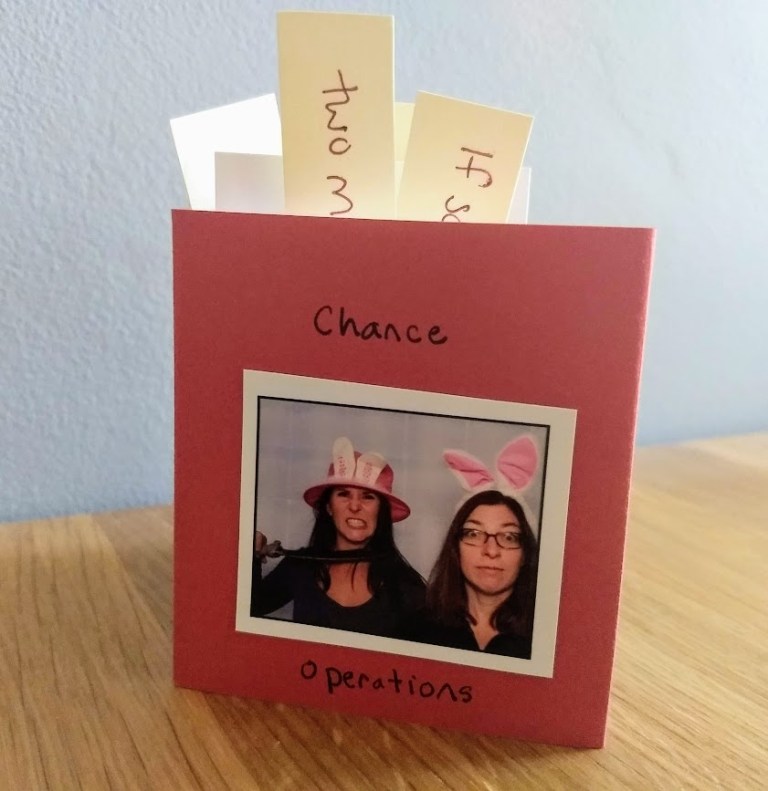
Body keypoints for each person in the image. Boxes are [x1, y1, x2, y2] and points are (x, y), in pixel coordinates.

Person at [250, 437, 426, 638]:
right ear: (329, 508)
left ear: (382, 513)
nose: (354, 506)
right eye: (343, 494)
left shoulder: (407, 586)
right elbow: (250, 608)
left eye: (368, 496)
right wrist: (252, 555)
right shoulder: (300, 566)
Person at [404, 437, 540, 657]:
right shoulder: (416, 630)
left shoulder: (548, 638)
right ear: (455, 547)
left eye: (509, 537)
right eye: (474, 534)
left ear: (526, 552)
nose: (491, 551)